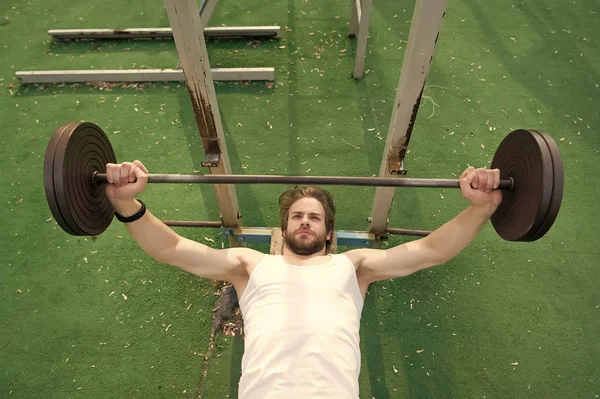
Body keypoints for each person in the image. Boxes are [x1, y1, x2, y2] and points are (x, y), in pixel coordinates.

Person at [105, 160, 502, 399]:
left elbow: (430, 251)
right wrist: (125, 200)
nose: (305, 222)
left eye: (314, 217)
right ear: (285, 228)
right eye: (297, 216)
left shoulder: (355, 266)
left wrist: (479, 209)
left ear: (329, 232)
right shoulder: (250, 265)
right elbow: (171, 249)